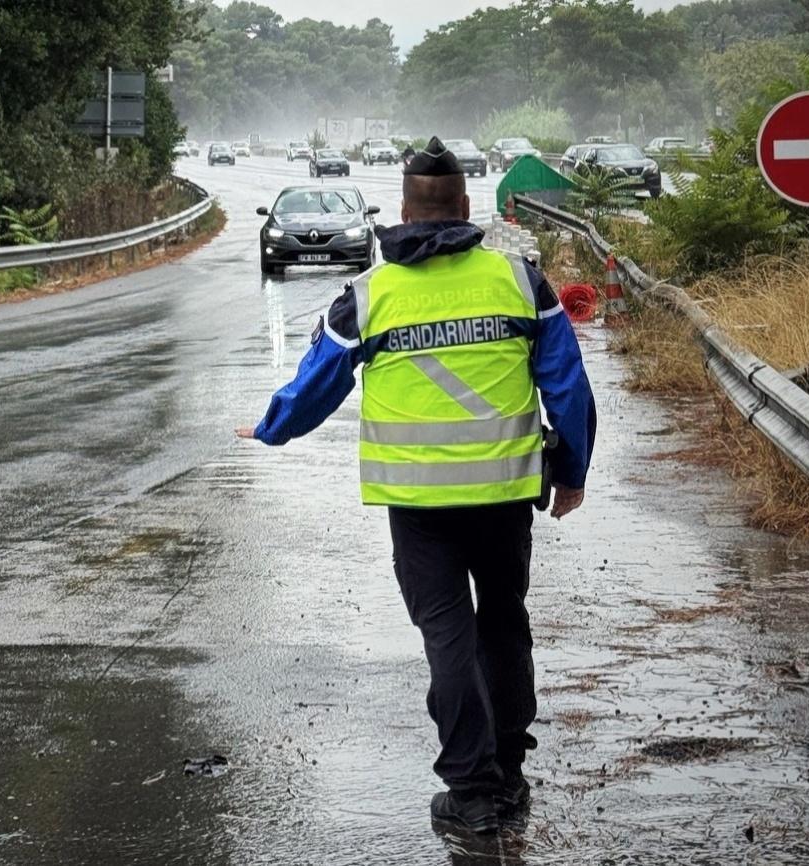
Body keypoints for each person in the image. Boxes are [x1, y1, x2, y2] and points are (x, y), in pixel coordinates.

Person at [236, 137, 596, 835]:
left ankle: (472, 793)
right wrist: (573, 472)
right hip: (503, 496)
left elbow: (318, 383)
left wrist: (273, 428)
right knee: (503, 622)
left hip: (419, 506)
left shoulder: (369, 296)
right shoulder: (520, 282)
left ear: (403, 212)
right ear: (466, 206)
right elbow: (567, 386)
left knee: (447, 635)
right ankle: (508, 772)